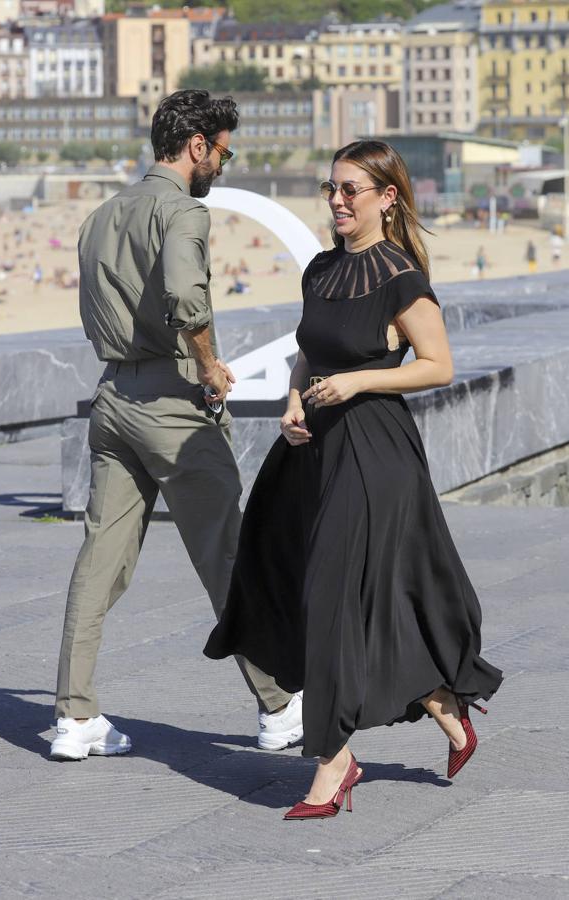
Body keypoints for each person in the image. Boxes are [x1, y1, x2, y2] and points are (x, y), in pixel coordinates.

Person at [205, 140, 503, 820]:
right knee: (315, 586)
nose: (337, 201)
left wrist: (361, 380)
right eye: (332, 189)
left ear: (388, 198)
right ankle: (443, 705)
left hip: (375, 454)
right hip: (312, 449)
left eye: (351, 191)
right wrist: (293, 399)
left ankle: (332, 765)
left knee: (334, 596)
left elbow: (437, 365)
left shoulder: (400, 276)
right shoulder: (321, 270)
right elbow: (311, 348)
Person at [50, 89, 301, 762]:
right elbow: (188, 299)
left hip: (112, 398)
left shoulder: (102, 216)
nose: (223, 162)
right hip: (172, 402)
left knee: (98, 562)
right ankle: (278, 707)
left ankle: (74, 718)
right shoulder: (183, 212)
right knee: (226, 552)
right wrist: (212, 366)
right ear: (196, 147)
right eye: (222, 151)